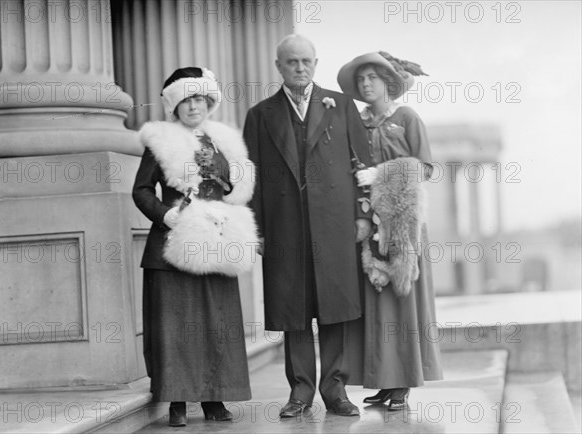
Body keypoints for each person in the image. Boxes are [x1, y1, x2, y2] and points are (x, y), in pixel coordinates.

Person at [243, 34, 372, 418]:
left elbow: (361, 166)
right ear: (279, 67)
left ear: (316, 63)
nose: (300, 68)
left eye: (306, 62)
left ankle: (336, 391)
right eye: (292, 62)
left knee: (335, 307)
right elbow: (252, 177)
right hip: (284, 226)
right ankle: (300, 392)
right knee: (292, 309)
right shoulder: (260, 114)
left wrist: (363, 216)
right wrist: (257, 229)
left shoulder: (343, 105)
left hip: (334, 225)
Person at [132, 67, 254, 427]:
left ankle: (214, 400)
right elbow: (141, 190)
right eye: (185, 100)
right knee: (175, 324)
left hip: (215, 239)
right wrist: (165, 215)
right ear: (174, 105)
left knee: (216, 322)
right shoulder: (160, 143)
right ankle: (177, 401)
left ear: (209, 102)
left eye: (199, 99)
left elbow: (239, 188)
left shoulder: (223, 144)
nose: (193, 106)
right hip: (174, 243)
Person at [337, 51, 443, 410]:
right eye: (362, 79)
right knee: (375, 302)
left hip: (403, 221)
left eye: (373, 78)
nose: (366, 84)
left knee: (401, 298)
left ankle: (403, 383)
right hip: (369, 220)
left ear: (388, 82)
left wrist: (382, 176)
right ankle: (384, 380)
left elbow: (425, 169)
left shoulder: (407, 118)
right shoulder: (357, 122)